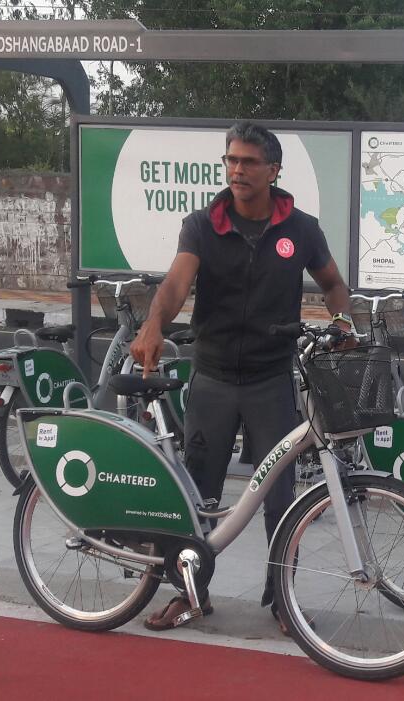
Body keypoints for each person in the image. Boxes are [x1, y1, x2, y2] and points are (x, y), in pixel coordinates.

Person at [130, 121, 354, 632]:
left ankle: (282, 602)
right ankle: (190, 594)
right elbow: (176, 284)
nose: (238, 169)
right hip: (210, 377)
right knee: (198, 491)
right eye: (232, 160)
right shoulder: (203, 225)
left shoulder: (301, 228)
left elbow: (334, 284)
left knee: (279, 497)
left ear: (274, 170)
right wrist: (152, 323)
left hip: (271, 379)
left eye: (250, 162)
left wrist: (343, 322)